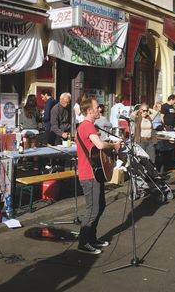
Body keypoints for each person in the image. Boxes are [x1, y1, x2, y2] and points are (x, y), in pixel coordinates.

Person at [75, 97, 121, 255]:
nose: (99, 110)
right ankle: (83, 243)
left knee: (100, 206)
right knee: (93, 209)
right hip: (89, 174)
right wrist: (114, 146)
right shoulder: (87, 126)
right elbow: (100, 145)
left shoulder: (88, 126)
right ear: (89, 111)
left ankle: (92, 238)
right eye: (96, 108)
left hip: (93, 173)